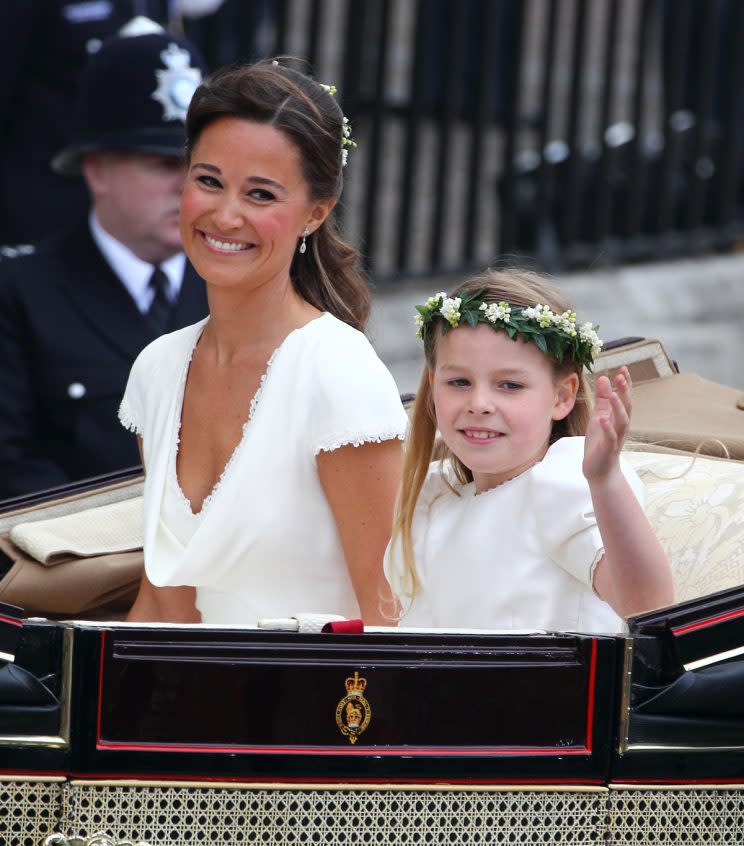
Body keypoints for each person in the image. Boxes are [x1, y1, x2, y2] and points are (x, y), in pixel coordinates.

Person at [119, 60, 408, 625]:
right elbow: (165, 604)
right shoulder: (158, 367)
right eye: (208, 181)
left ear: (315, 214)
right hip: (186, 699)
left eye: (260, 194)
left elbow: (388, 615)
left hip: (321, 704)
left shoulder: (337, 370)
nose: (225, 216)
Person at [384, 269, 674, 633]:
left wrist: (605, 479)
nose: (479, 403)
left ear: (562, 396)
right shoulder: (432, 498)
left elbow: (649, 605)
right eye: (459, 382)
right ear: (432, 383)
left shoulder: (563, 481)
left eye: (510, 385)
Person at [0, 23, 210, 500]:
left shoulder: (236, 282)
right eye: (162, 165)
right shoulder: (20, 291)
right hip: (80, 563)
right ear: (97, 170)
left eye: (200, 168)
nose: (187, 187)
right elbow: (9, 468)